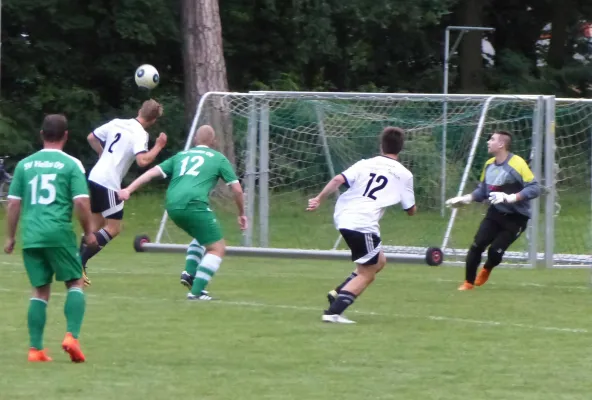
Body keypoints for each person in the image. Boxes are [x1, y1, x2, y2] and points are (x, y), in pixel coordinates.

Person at [4, 114, 98, 362]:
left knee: (39, 291)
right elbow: (80, 201)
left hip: (32, 235)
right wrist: (88, 232)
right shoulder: (71, 164)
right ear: (66, 136)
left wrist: (10, 237)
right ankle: (71, 337)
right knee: (75, 282)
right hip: (58, 233)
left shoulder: (24, 165)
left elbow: (13, 204)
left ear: (41, 135)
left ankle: (35, 350)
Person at [118, 125, 247, 300]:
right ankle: (196, 292)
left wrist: (128, 189)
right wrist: (241, 213)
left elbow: (150, 173)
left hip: (172, 205)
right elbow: (237, 190)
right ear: (214, 141)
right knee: (217, 248)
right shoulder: (218, 158)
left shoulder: (181, 156)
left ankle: (189, 272)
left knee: (203, 238)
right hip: (194, 204)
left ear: (195, 140)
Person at [306, 127, 416, 324]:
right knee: (367, 273)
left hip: (344, 217)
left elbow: (338, 179)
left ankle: (337, 292)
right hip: (362, 223)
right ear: (400, 148)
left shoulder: (366, 164)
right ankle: (334, 312)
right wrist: (410, 207)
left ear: (381, 145)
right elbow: (410, 209)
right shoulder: (404, 174)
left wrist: (319, 199)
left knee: (379, 261)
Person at [80, 99, 167, 285]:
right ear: (153, 121)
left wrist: (102, 154)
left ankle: (77, 267)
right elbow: (142, 161)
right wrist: (158, 146)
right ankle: (77, 263)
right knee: (113, 228)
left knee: (95, 226)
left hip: (95, 176)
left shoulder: (117, 122)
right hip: (109, 182)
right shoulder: (140, 134)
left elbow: (91, 138)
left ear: (139, 110)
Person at [445, 131, 541, 290]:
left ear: (501, 144)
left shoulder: (517, 163)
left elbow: (535, 188)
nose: (488, 142)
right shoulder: (489, 164)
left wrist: (511, 197)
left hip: (517, 218)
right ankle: (468, 283)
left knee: (495, 252)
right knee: (477, 245)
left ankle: (487, 268)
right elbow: (483, 191)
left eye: (492, 139)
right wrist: (466, 199)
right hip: (495, 213)